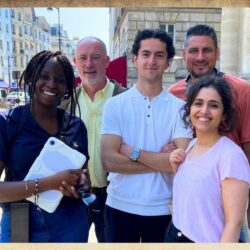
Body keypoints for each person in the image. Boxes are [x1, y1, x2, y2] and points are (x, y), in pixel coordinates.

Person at [100, 29, 193, 242]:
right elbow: (108, 161)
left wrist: (132, 151)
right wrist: (161, 159)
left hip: (164, 210)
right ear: (135, 59)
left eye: (159, 55)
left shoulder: (180, 109)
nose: (152, 60)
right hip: (119, 207)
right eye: (146, 54)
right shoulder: (115, 105)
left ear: (168, 62)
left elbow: (181, 163)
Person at [168, 24, 250, 238]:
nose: (200, 57)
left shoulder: (241, 90)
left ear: (217, 53)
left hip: (224, 209)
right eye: (194, 51)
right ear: (184, 54)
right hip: (186, 215)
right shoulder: (172, 94)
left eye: (207, 50)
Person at [0, 51, 90, 242]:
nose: (51, 84)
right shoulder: (8, 123)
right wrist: (49, 183)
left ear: (67, 87)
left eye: (59, 80)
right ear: (31, 77)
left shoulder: (76, 126)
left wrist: (81, 183)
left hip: (69, 219)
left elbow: (83, 176)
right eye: (44, 76)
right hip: (20, 216)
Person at [63, 37, 126, 242]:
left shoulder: (124, 99)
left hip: (115, 194)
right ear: (75, 62)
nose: (89, 64)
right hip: (74, 195)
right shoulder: (65, 103)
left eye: (95, 57)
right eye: (83, 58)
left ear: (107, 61)